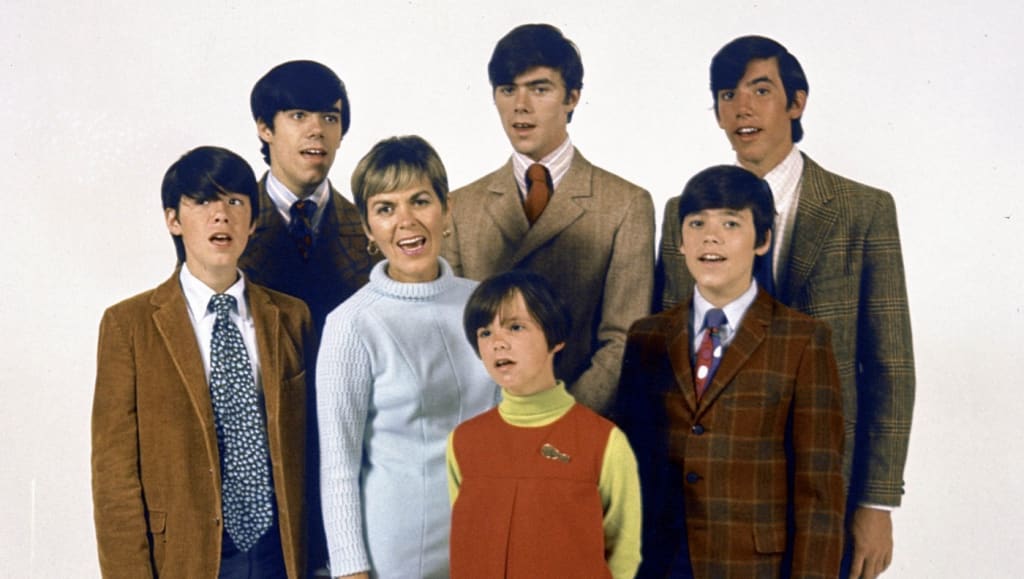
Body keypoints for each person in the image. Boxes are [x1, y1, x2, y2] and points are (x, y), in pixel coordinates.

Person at [656, 35, 915, 578]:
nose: (742, 109)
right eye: (727, 95)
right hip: (707, 499)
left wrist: (876, 501)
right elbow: (668, 361)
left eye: (760, 90)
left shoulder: (862, 210)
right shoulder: (685, 213)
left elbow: (890, 366)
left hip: (826, 485)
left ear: (796, 103)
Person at [91, 146, 313, 577]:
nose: (221, 215)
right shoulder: (128, 325)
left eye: (235, 202)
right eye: (202, 201)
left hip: (281, 556)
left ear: (253, 220)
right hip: (186, 556)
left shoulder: (291, 317)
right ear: (173, 219)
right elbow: (114, 478)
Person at [618, 165, 845, 577]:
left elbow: (818, 494)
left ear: (763, 240)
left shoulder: (803, 340)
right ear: (680, 241)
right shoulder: (646, 337)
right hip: (658, 563)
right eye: (697, 223)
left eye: (731, 223)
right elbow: (629, 466)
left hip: (752, 566)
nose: (711, 237)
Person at [442, 23, 655, 415]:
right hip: (488, 424)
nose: (520, 106)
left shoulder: (625, 204)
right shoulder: (462, 206)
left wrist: (563, 422)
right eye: (508, 90)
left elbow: (623, 338)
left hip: (582, 425)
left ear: (572, 97)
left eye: (539, 89)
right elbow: (455, 336)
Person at [316, 135, 498, 579]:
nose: (406, 221)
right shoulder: (351, 324)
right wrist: (351, 569)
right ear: (367, 228)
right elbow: (338, 465)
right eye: (385, 208)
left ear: (447, 209)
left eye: (420, 201)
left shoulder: (485, 305)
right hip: (397, 553)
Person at [242, 60, 379, 572]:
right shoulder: (224, 225)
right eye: (298, 115)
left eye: (330, 117)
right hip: (257, 480)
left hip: (352, 473)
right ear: (264, 127)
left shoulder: (373, 228)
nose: (317, 130)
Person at [447, 270, 642, 578]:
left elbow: (623, 556)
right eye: (485, 333)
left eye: (515, 327)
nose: (497, 343)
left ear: (555, 339)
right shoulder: (463, 442)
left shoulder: (604, 442)